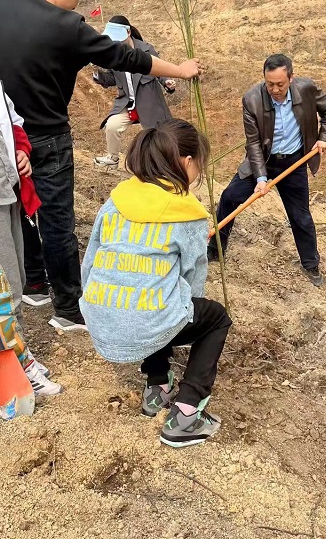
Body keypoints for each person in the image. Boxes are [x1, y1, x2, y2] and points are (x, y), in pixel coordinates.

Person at [0, 0, 201, 332]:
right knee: (56, 219)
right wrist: (180, 69)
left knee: (18, 206)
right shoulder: (66, 25)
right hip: (46, 137)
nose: (77, 1)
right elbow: (129, 58)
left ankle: (32, 283)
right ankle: (66, 308)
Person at [80, 119, 232, 448]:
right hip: (140, 323)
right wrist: (185, 319)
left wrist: (97, 304)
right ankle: (186, 413)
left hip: (98, 317)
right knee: (213, 316)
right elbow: (193, 282)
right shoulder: (187, 214)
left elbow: (89, 262)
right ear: (188, 163)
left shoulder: (116, 201)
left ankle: (157, 386)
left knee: (156, 293)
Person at [0, 0, 62, 396]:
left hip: (7, 193)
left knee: (17, 278)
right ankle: (18, 366)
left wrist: (21, 150)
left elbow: (13, 120)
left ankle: (14, 353)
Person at [208, 54, 326, 286]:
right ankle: (215, 249)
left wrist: (324, 137)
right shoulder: (252, 99)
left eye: (280, 84)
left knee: (300, 216)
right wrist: (260, 177)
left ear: (291, 78)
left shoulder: (306, 89)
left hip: (294, 162)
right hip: (263, 161)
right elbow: (253, 143)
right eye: (270, 84)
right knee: (229, 197)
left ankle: (311, 264)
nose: (275, 89)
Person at [93, 15, 177, 169]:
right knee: (112, 125)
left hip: (148, 102)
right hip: (127, 104)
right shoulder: (115, 53)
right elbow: (113, 77)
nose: (115, 42)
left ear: (128, 33)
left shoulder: (146, 49)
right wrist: (99, 76)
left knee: (157, 136)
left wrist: (167, 82)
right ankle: (113, 158)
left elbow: (159, 69)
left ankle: (165, 165)